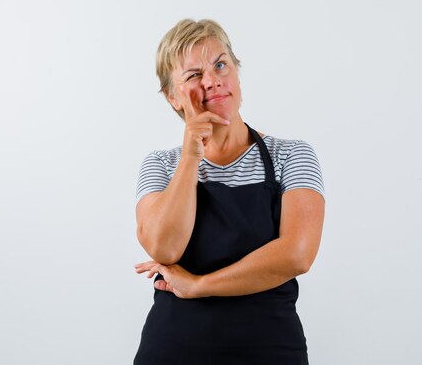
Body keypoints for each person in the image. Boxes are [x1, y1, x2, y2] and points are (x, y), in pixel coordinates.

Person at [133, 18, 325, 364]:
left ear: (236, 71)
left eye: (221, 64)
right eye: (193, 75)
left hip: (270, 352)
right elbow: (165, 246)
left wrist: (198, 285)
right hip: (173, 351)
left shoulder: (292, 155)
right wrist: (191, 154)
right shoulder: (160, 165)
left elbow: (297, 254)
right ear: (172, 97)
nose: (212, 80)